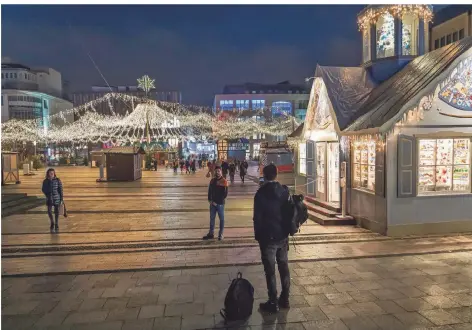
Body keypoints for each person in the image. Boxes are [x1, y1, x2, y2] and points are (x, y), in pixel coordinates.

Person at [253, 164, 291, 313]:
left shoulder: (261, 193)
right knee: (284, 268)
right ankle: (285, 299)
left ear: (264, 175)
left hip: (268, 238)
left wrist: (258, 236)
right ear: (276, 174)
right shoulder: (284, 191)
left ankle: (273, 301)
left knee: (270, 271)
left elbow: (257, 218)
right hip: (282, 236)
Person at [203, 166, 228, 241]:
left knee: (222, 219)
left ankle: (221, 234)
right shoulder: (212, 181)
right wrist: (210, 200)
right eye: (216, 171)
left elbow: (225, 195)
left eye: (219, 171)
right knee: (212, 219)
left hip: (220, 204)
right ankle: (211, 233)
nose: (217, 172)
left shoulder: (224, 181)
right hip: (212, 204)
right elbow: (209, 191)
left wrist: (216, 202)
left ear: (221, 172)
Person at [42, 168, 64, 233]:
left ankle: (56, 223)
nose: (51, 174)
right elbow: (43, 189)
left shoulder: (57, 180)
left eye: (53, 173)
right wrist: (47, 193)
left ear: (54, 173)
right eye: (50, 173)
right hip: (49, 198)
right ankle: (52, 222)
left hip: (57, 197)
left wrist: (61, 199)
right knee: (49, 211)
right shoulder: (45, 181)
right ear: (48, 174)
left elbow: (60, 189)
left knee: (56, 211)